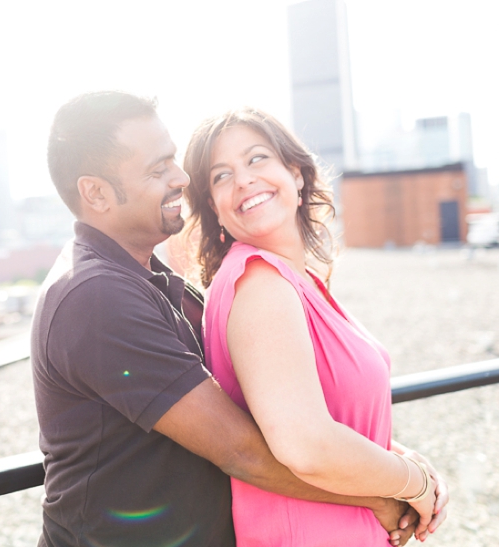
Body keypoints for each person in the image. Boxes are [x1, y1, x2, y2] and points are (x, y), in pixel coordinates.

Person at [32, 91, 434, 547]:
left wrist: (382, 463)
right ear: (96, 193)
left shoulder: (158, 282)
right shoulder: (95, 297)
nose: (182, 178)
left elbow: (265, 411)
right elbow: (242, 450)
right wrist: (384, 494)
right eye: (158, 167)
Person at [183, 107, 449, 546]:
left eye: (256, 159)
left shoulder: (294, 280)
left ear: (296, 173)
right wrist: (412, 483)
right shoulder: (259, 283)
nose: (244, 180)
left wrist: (411, 463)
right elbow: (305, 443)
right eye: (221, 176)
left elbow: (323, 413)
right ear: (215, 207)